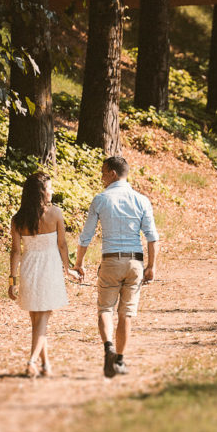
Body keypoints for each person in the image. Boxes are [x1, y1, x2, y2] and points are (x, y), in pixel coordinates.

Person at [74, 155, 159, 378]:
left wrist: (79, 263)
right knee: (126, 314)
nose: (101, 177)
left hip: (110, 261)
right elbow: (152, 237)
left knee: (105, 309)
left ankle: (108, 349)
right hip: (134, 262)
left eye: (103, 172)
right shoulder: (141, 200)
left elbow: (86, 237)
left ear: (112, 173)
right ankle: (119, 361)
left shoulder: (100, 199)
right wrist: (151, 266)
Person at [7, 171, 71, 378]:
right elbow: (62, 244)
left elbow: (15, 251)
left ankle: (45, 364)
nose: (52, 191)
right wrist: (67, 268)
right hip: (49, 267)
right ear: (41, 192)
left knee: (37, 318)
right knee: (42, 317)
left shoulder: (17, 219)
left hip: (28, 267)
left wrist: (12, 280)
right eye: (49, 187)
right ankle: (32, 361)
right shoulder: (55, 214)